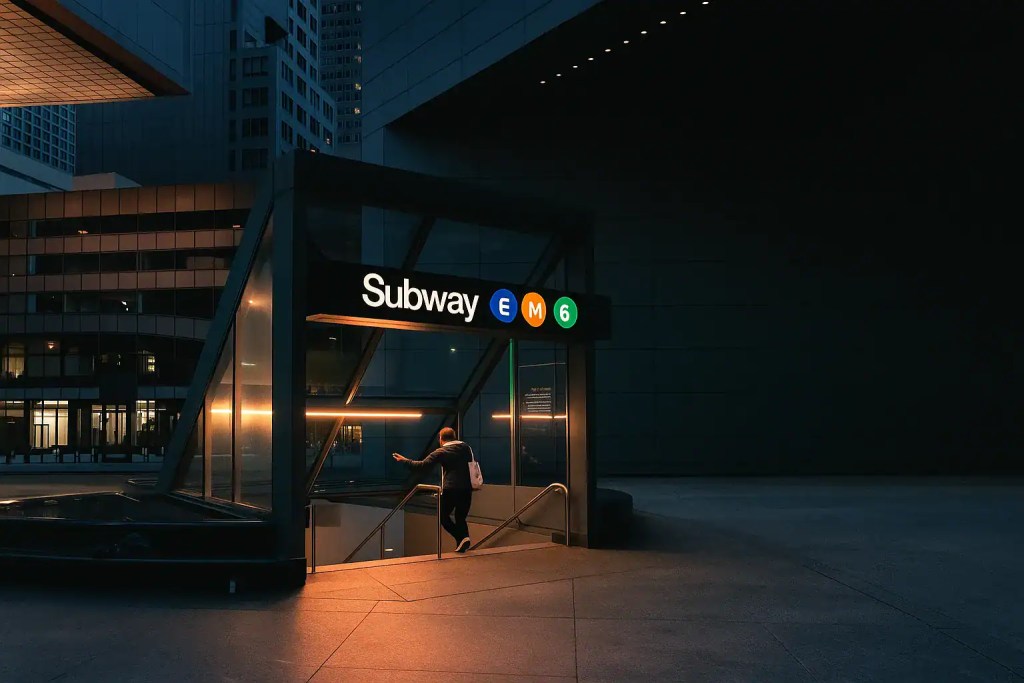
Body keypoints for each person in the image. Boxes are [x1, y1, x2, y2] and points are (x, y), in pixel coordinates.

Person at [392, 427, 474, 553]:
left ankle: (462, 538)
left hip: (451, 489)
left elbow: (422, 466)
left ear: (441, 439)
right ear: (454, 436)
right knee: (460, 517)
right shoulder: (466, 448)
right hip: (467, 488)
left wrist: (404, 461)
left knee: (443, 517)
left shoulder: (441, 451)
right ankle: (462, 543)